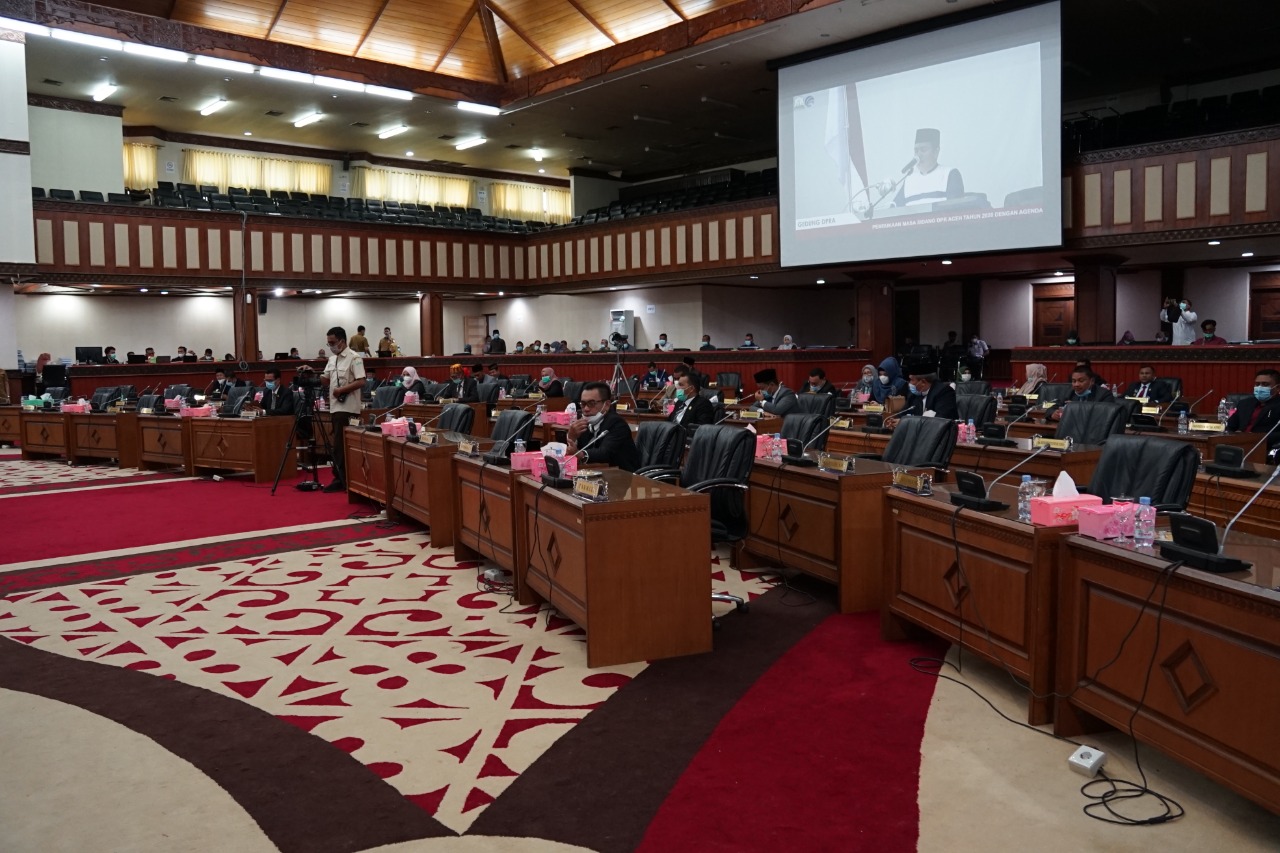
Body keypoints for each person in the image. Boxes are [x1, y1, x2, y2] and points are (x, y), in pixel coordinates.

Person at [321, 326, 366, 493]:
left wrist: (341, 390)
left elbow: (361, 381)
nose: (331, 346)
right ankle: (341, 477)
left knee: (341, 445)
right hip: (334, 407)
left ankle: (341, 479)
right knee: (337, 444)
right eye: (328, 343)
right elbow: (325, 379)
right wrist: (310, 373)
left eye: (332, 342)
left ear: (342, 341)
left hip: (348, 408)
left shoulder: (354, 358)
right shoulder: (332, 359)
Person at [565, 381, 640, 471]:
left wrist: (581, 454)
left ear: (607, 405)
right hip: (593, 472)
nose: (586, 409)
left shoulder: (617, 423)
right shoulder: (584, 423)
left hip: (622, 475)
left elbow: (605, 453)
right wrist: (572, 437)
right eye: (583, 404)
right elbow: (574, 451)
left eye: (591, 403)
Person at [892, 128, 964, 207]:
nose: (918, 155)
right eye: (916, 151)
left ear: (936, 152)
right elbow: (894, 210)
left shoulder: (950, 174)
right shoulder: (909, 179)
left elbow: (955, 209)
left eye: (923, 150)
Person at [1225, 370, 1280, 449]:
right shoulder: (1245, 403)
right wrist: (1234, 436)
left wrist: (1255, 437)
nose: (1260, 387)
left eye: (1265, 384)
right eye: (1257, 384)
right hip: (1237, 445)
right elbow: (1230, 426)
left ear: (1277, 388)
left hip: (1265, 447)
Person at [887, 369, 959, 424]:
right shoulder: (914, 395)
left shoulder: (944, 392)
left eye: (911, 380)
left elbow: (940, 421)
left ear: (923, 382)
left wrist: (906, 423)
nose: (909, 383)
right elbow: (902, 415)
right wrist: (895, 422)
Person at [1049, 368, 1114, 421]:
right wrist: (1052, 413)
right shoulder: (1070, 392)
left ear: (1092, 381)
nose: (1076, 384)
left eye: (1081, 381)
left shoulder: (1104, 394)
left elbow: (1103, 415)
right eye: (1074, 381)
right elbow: (1052, 406)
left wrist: (1077, 407)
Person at [669, 371, 714, 436]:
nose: (677, 388)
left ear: (691, 388)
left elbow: (701, 430)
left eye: (681, 385)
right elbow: (669, 421)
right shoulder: (679, 402)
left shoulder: (703, 404)